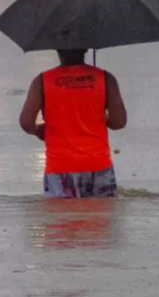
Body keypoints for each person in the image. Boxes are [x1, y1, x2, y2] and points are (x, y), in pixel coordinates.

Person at [19, 48, 127, 198]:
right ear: (86, 49)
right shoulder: (105, 78)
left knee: (61, 219)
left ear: (57, 49)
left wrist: (40, 131)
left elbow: (26, 122)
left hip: (60, 167)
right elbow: (119, 122)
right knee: (101, 219)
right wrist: (101, 116)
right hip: (98, 164)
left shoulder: (42, 81)